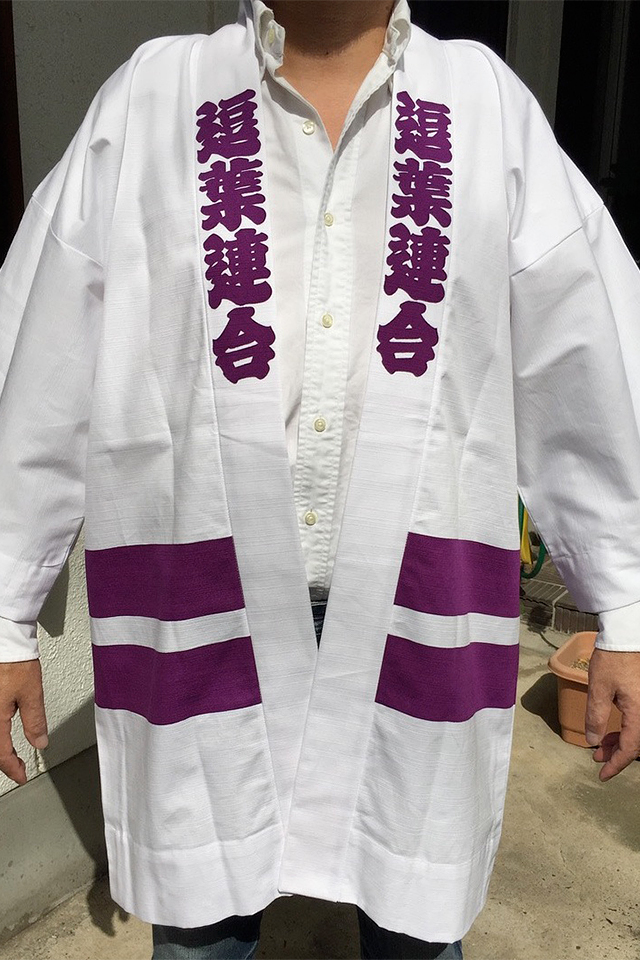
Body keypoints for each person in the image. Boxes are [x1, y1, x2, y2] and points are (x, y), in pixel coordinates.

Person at [1, 1, 640, 958]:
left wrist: (625, 607)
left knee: (414, 917)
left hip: (419, 606)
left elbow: (584, 359)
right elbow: (41, 357)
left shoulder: (483, 106)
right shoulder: (153, 100)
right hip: (201, 606)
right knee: (201, 926)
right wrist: (6, 610)